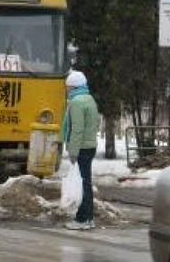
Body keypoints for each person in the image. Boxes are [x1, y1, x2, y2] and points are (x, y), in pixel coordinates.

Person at [61, 70, 100, 231]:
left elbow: (77, 128)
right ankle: (89, 218)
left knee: (82, 184)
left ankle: (82, 219)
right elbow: (95, 123)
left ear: (73, 87)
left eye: (68, 87)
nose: (67, 90)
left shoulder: (76, 102)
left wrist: (73, 151)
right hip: (90, 146)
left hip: (82, 147)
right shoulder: (89, 99)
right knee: (86, 183)